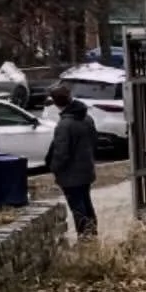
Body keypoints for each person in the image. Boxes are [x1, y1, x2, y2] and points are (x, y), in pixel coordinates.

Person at [47, 83, 98, 238]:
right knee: (86, 202)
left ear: (56, 103)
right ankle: (92, 232)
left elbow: (61, 153)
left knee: (77, 206)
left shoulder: (64, 125)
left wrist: (54, 168)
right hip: (86, 170)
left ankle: (84, 235)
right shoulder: (86, 118)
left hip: (70, 175)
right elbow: (94, 141)